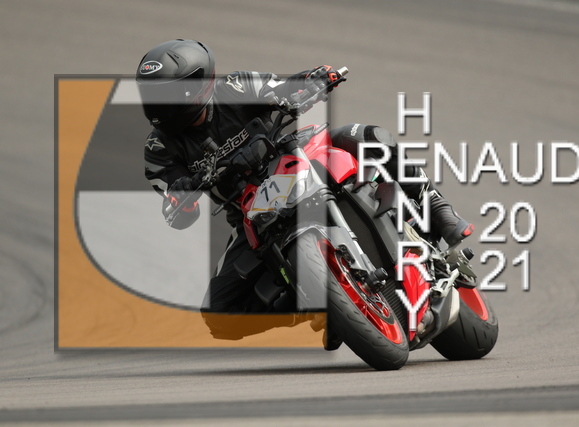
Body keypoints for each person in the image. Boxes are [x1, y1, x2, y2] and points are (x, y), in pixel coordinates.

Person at [136, 39, 473, 343]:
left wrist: (311, 81)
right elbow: (175, 206)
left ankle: (434, 204)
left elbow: (283, 88)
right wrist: (181, 199)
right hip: (251, 214)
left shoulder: (236, 86)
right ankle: (321, 306)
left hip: (298, 157)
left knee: (365, 136)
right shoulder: (158, 149)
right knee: (219, 314)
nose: (158, 103)